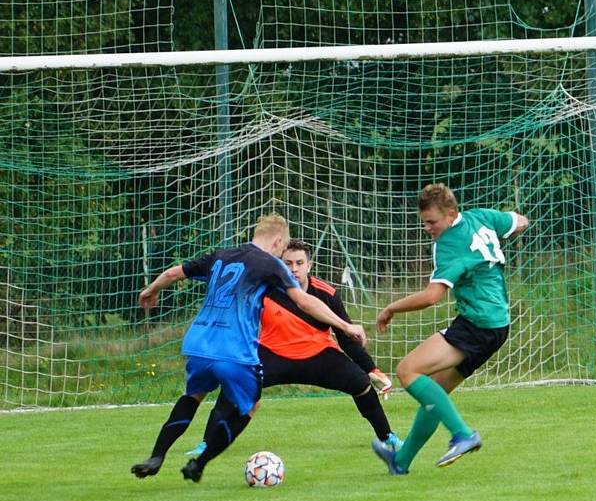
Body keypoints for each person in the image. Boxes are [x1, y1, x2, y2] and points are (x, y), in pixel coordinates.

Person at [131, 214, 367, 483]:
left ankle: (157, 455)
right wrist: (345, 326)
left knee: (192, 397)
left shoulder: (222, 255)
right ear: (278, 240)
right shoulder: (270, 264)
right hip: (233, 350)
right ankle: (199, 464)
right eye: (283, 247)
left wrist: (151, 289)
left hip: (199, 344)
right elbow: (304, 301)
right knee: (251, 404)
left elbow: (175, 273)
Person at [186, 239, 402, 457]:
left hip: (319, 356)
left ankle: (387, 437)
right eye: (287, 263)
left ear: (310, 265)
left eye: (299, 263)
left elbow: (347, 337)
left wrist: (371, 369)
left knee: (361, 384)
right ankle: (207, 442)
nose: (294, 269)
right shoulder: (265, 290)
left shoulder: (327, 294)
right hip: (272, 354)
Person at [371, 183, 529, 474]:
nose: (428, 228)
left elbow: (432, 297)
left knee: (407, 371)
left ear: (451, 213)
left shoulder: (448, 245)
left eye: (432, 222)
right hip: (497, 324)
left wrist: (391, 308)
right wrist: (504, 233)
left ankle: (463, 434)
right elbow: (520, 221)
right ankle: (400, 461)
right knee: (437, 393)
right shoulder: (481, 217)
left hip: (476, 324)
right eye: (424, 222)